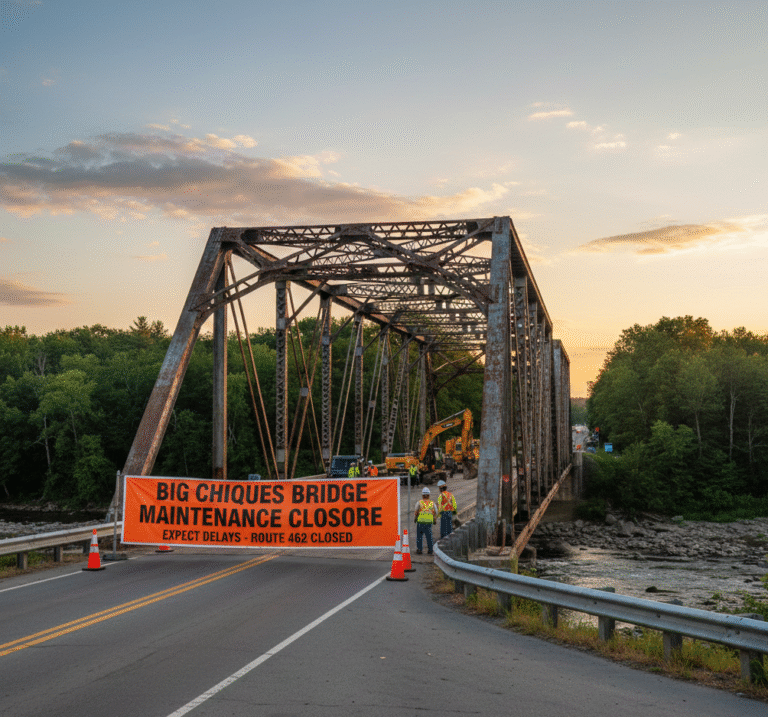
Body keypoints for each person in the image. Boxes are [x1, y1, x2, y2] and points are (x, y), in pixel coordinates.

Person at [414, 487, 437, 555]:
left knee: (419, 536)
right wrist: (435, 520)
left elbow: (416, 511)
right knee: (429, 537)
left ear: (422, 495)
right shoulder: (432, 503)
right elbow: (436, 512)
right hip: (428, 522)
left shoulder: (419, 502)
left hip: (420, 522)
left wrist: (415, 519)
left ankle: (419, 549)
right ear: (429, 495)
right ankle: (430, 550)